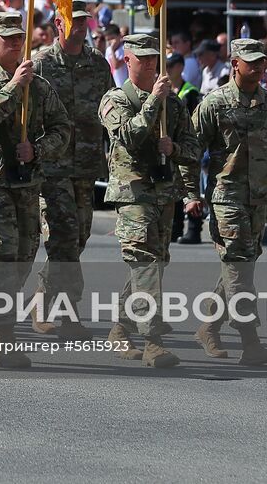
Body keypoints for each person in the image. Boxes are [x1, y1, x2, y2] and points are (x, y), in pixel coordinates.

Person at [0, 11, 71, 368]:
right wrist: (12, 87)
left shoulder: (39, 87)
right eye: (8, 40)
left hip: (25, 185)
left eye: (20, 40)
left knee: (23, 258)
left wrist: (38, 149)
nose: (16, 46)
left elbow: (62, 128)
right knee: (0, 260)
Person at [191, 39, 267, 364]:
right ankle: (250, 340)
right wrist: (189, 194)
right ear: (234, 63)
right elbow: (190, 150)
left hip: (257, 198)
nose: (257, 67)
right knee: (239, 266)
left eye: (261, 61)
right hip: (225, 197)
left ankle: (209, 328)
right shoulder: (214, 104)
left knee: (238, 265)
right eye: (250, 61)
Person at [100, 32, 200, 367]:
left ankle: (121, 327)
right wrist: (153, 101)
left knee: (154, 265)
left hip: (164, 191)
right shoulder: (115, 99)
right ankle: (152, 339)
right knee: (143, 262)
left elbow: (194, 148)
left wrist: (175, 149)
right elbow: (129, 136)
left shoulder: (173, 103)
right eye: (142, 58)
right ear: (127, 60)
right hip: (133, 193)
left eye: (153, 58)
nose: (150, 64)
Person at [28, 1, 113, 337]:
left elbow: (108, 107)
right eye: (73, 21)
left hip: (86, 165)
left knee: (78, 238)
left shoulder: (97, 63)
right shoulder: (42, 64)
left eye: (83, 21)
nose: (80, 26)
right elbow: (31, 114)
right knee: (62, 238)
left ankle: (45, 297)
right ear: (57, 25)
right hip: (53, 165)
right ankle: (63, 311)